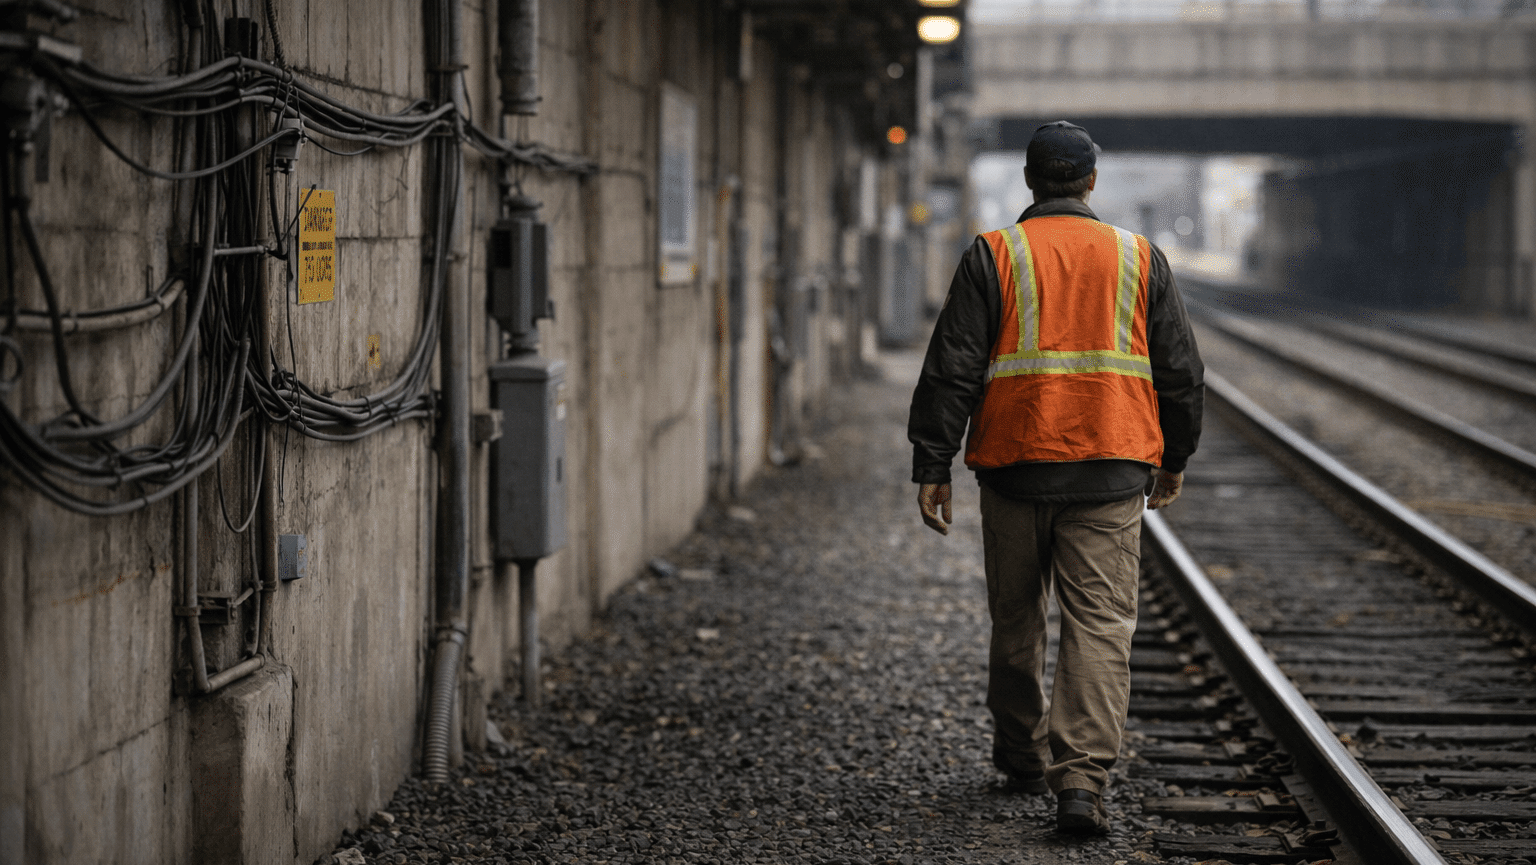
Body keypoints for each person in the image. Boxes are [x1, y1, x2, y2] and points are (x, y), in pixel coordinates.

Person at [907, 121, 1203, 835]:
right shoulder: (1139, 257)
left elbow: (952, 366)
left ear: (1030, 181)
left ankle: (1021, 750)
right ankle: (1081, 783)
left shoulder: (994, 254)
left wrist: (933, 462)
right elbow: (1181, 371)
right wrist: (1174, 457)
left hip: (1015, 468)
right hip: (1110, 470)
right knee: (1099, 625)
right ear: (1091, 181)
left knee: (1016, 619)